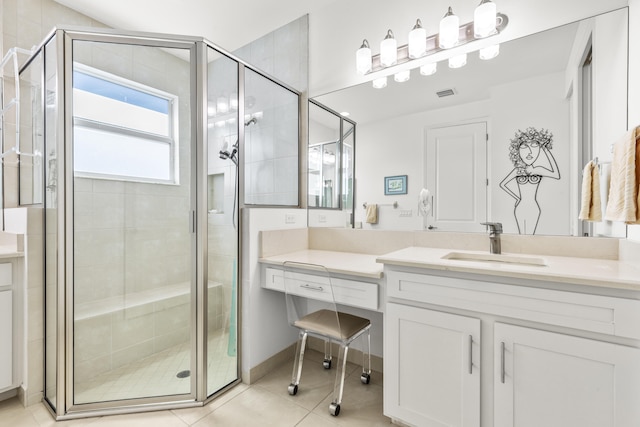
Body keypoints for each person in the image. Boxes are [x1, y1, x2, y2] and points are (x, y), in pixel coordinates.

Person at [499, 127, 560, 234]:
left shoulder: (538, 169)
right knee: (521, 235)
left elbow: (556, 174)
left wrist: (545, 150)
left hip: (533, 207)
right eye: (524, 147)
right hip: (520, 207)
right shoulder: (518, 170)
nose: (529, 151)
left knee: (530, 236)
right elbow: (503, 184)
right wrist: (517, 198)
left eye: (534, 147)